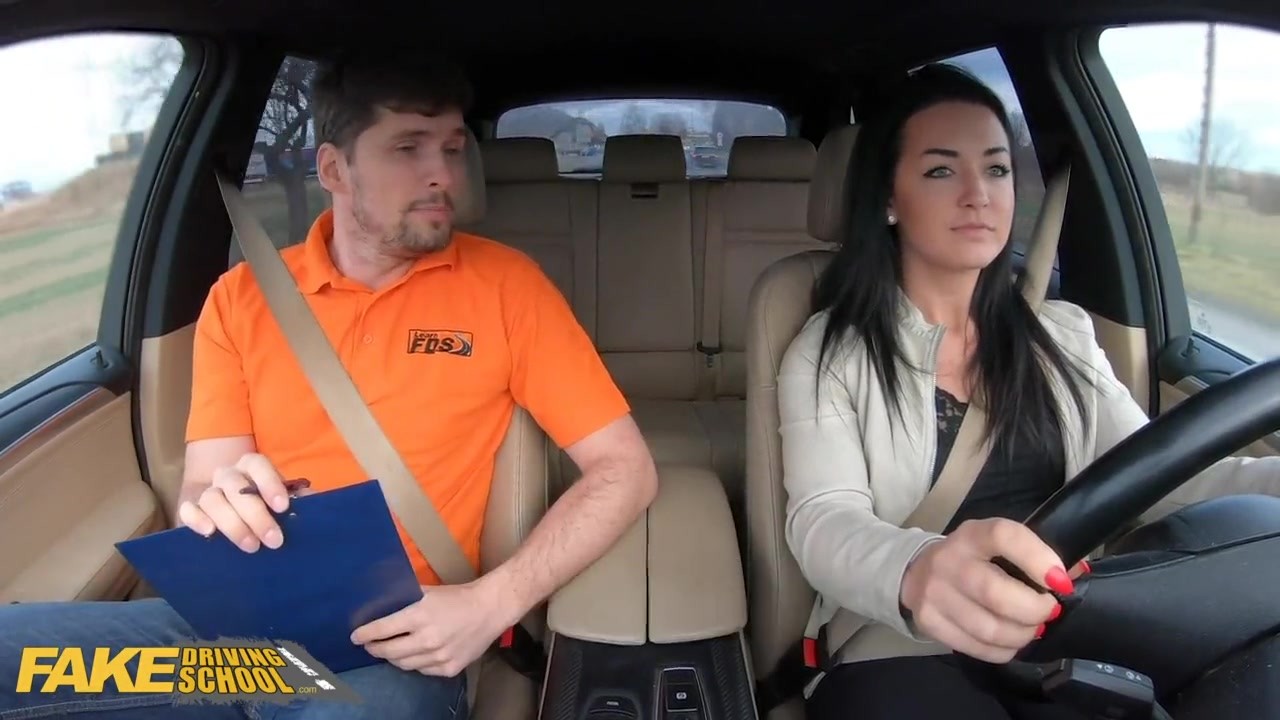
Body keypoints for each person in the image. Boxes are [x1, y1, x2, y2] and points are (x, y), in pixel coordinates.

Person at [0, 54, 658, 720]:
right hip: (228, 645)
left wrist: (492, 602)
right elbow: (203, 485)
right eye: (408, 148)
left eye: (454, 149)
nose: (443, 174)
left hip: (394, 644)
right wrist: (218, 502)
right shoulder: (241, 298)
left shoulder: (507, 288)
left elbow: (625, 470)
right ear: (334, 170)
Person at [776, 63, 1280, 720]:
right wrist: (918, 569)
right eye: (940, 170)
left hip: (1063, 630)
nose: (978, 194)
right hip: (898, 641)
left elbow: (1161, 474)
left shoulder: (1061, 335)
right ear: (889, 200)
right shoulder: (830, 349)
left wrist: (1270, 482)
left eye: (996, 169)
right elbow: (823, 518)